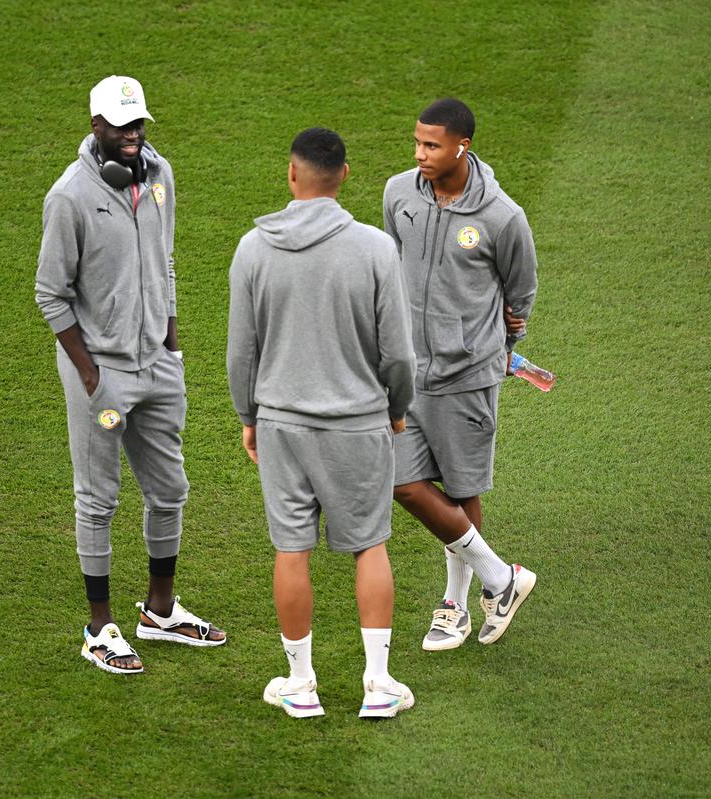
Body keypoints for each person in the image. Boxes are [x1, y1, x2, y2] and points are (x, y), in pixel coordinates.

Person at [35, 74, 225, 676]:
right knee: (99, 499)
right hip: (104, 378)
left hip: (158, 368)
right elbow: (50, 294)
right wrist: (92, 376)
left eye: (138, 124)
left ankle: (160, 611)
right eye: (121, 127)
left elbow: (164, 262)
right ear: (95, 126)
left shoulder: (160, 177)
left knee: (170, 490)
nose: (133, 137)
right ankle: (99, 628)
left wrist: (171, 348)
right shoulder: (68, 197)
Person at [227, 128, 416, 718]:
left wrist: (248, 416)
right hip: (360, 424)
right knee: (370, 548)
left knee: (291, 548)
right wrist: (395, 408)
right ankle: (380, 686)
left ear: (291, 174)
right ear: (345, 175)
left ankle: (301, 686)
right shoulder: (376, 248)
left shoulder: (252, 250)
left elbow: (241, 354)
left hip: (281, 424)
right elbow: (399, 355)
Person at [382, 97, 538, 652]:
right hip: (407, 372)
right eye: (417, 143)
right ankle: (502, 579)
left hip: (468, 375)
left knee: (462, 487)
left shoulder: (501, 217)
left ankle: (454, 607)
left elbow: (520, 294)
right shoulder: (399, 193)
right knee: (403, 484)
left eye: (432, 145)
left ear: (461, 147)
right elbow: (393, 265)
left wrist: (497, 349)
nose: (421, 154)